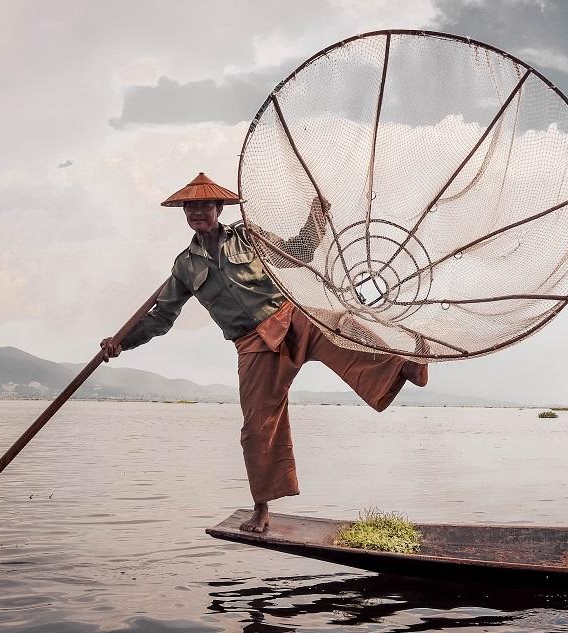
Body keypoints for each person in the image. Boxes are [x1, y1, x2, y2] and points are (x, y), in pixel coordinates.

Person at [101, 172, 428, 533]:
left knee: (341, 324)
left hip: (290, 318)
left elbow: (298, 253)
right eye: (190, 207)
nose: (197, 212)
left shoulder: (247, 235)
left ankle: (405, 368)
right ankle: (261, 509)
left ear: (219, 207)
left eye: (204, 205)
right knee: (257, 429)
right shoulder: (184, 265)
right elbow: (161, 318)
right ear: (184, 213)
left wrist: (317, 214)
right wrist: (122, 342)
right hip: (252, 345)